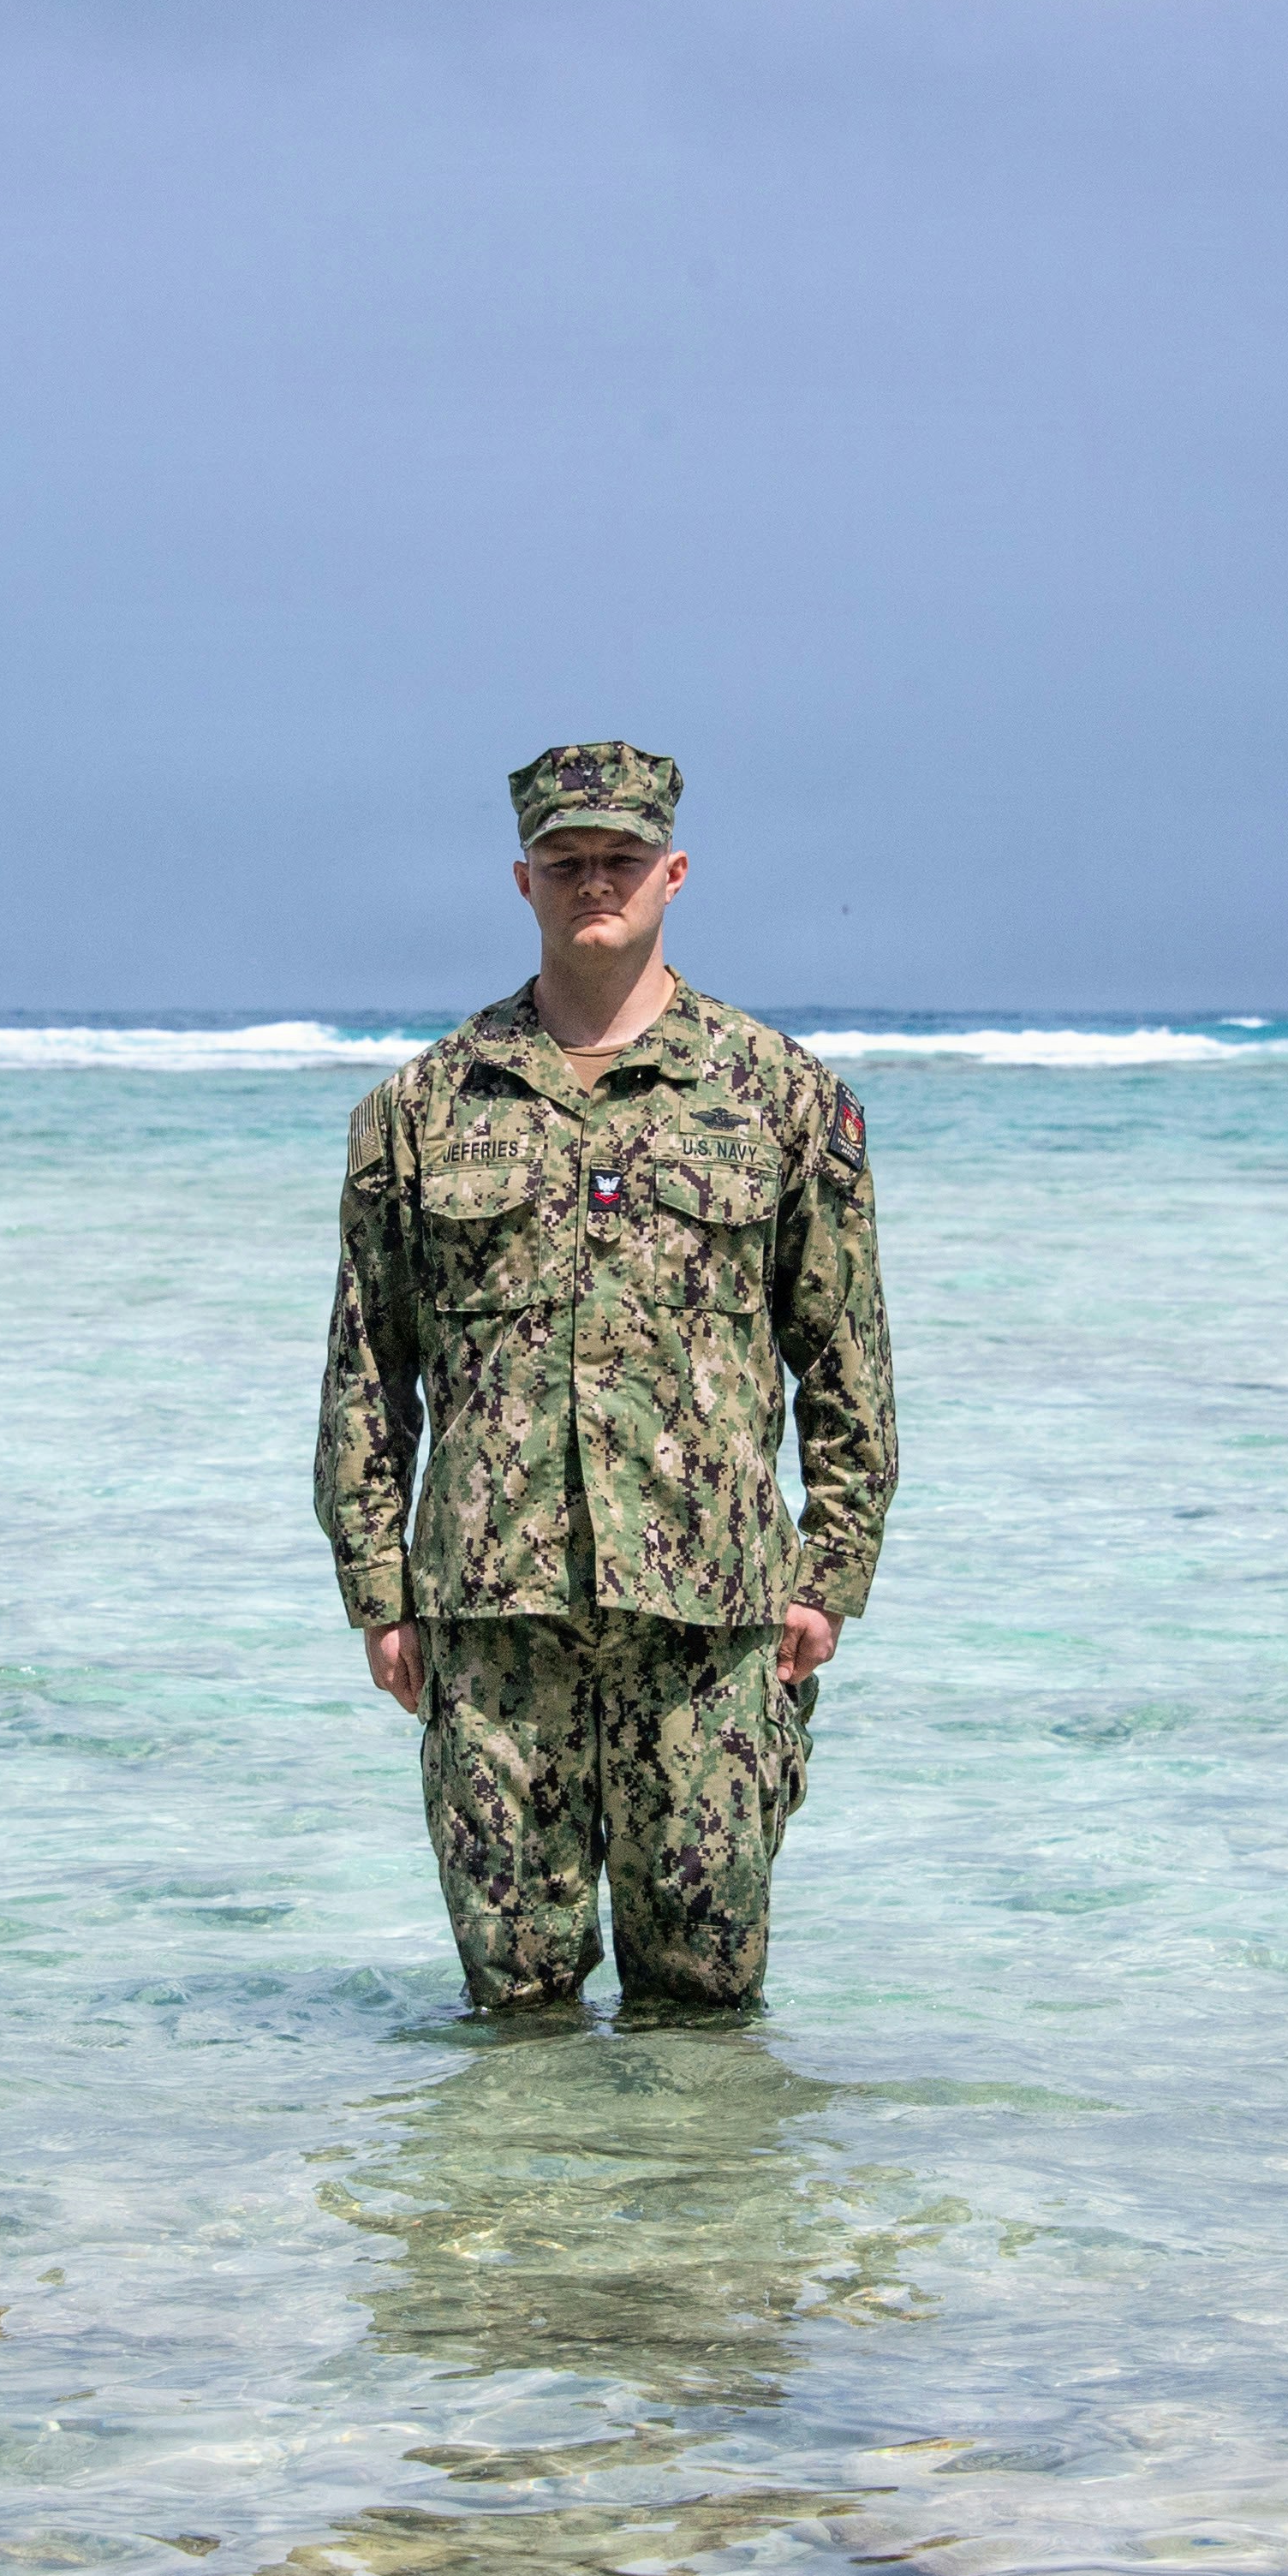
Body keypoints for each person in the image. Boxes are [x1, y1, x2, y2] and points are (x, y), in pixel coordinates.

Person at [316, 742, 898, 2012]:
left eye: (620, 862)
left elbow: (845, 1361)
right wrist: (377, 1591)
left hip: (710, 1624)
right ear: (519, 879)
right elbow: (368, 1371)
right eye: (567, 861)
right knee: (512, 2004)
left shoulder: (780, 1098)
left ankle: (695, 2216)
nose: (595, 884)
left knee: (703, 2004)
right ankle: (521, 2216)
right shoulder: (419, 1110)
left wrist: (829, 1574)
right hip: (491, 1620)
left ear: (673, 874)